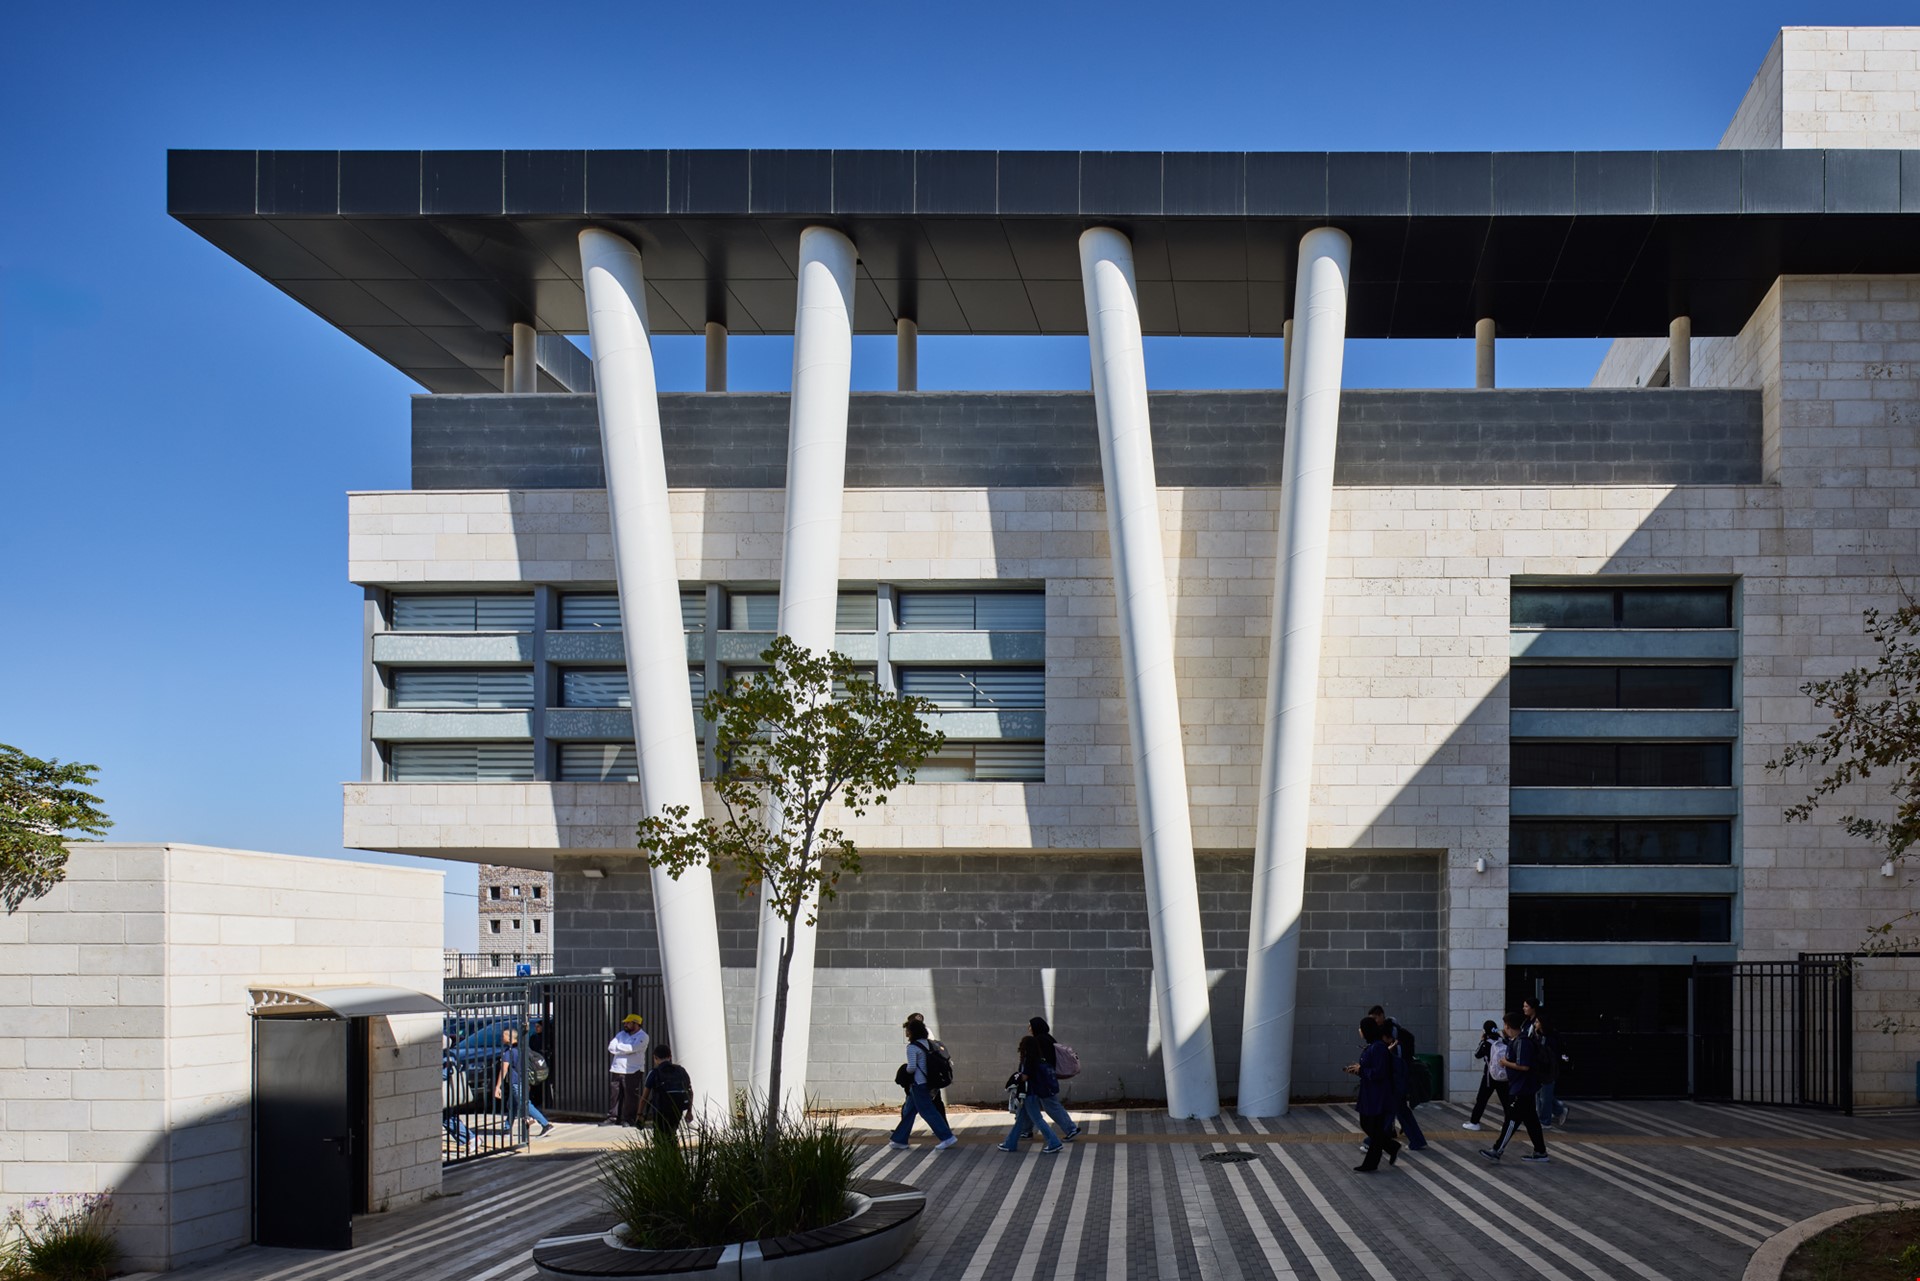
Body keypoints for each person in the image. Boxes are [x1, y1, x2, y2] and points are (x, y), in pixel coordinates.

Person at [1480, 1013, 1548, 1163]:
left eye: (1505, 1025)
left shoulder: (1522, 1042)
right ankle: (1540, 1151)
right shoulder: (1517, 1040)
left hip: (1521, 1088)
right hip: (1523, 1087)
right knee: (1531, 1120)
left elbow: (1524, 1066)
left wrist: (1505, 1063)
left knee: (1511, 1120)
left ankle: (1497, 1150)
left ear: (1508, 1026)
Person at [888, 1017, 958, 1151]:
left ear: (912, 1032)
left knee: (928, 1112)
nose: (906, 1033)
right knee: (909, 1111)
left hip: (918, 1084)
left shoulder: (912, 1047)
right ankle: (899, 1140)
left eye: (907, 1030)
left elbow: (911, 1068)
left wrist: (903, 1071)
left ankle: (947, 1137)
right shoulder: (928, 1043)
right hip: (929, 1082)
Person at [1345, 1018, 1401, 1172]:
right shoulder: (1374, 1046)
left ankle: (1372, 1163)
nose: (1359, 1030)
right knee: (1369, 1125)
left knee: (1373, 1126)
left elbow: (1379, 1072)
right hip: (1370, 1093)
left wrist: (1361, 1070)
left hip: (1377, 1095)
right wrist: (1359, 1069)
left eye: (1361, 1028)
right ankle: (1391, 1147)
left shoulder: (1378, 1048)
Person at [1368, 1005, 1427, 1151]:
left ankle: (1372, 1141)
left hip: (1396, 1080)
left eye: (1375, 1018)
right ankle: (1417, 1140)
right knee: (1400, 1111)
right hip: (1397, 1079)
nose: (1374, 1022)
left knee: (1389, 1111)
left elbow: (1392, 1060)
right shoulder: (1394, 1032)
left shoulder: (1393, 1035)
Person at [1014, 1016, 1080, 1143]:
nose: (1029, 1028)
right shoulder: (1048, 1038)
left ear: (1036, 1026)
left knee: (1050, 1106)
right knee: (1029, 1104)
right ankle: (1026, 1130)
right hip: (1043, 1079)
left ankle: (1071, 1129)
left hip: (1040, 1081)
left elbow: (1033, 1061)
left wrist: (1025, 1074)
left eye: (1030, 1026)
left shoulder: (1038, 1040)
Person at [997, 1034, 1064, 1154]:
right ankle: (1010, 1143)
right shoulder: (1039, 1059)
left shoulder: (1029, 1060)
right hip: (1033, 1093)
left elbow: (1025, 1077)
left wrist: (1015, 1078)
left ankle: (1054, 1142)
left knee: (1037, 1119)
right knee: (1020, 1120)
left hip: (1028, 1094)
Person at [493, 1026, 552, 1140]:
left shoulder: (509, 1052)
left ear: (510, 1037)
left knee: (525, 1104)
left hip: (516, 1082)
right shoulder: (522, 1049)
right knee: (512, 1105)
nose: (501, 1037)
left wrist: (497, 1087)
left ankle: (545, 1124)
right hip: (523, 1081)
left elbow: (504, 1069)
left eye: (503, 1035)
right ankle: (507, 1128)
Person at [603, 1014, 649, 1127]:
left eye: (628, 1023)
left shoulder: (643, 1036)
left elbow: (633, 1048)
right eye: (625, 1023)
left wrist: (619, 1048)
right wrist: (626, 1049)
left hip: (633, 1070)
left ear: (636, 1024)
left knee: (630, 1096)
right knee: (615, 1095)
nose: (625, 1024)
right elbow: (611, 1047)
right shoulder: (621, 1034)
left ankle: (629, 1119)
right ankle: (613, 1118)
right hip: (617, 1068)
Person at [637, 1043, 692, 1134]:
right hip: (678, 1108)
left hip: (660, 1110)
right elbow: (690, 1091)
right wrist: (689, 1111)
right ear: (670, 1057)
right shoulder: (681, 1070)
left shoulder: (654, 1073)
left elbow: (644, 1098)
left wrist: (639, 1115)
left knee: (660, 1135)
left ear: (655, 1058)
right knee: (672, 1132)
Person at [1532, 1008, 1570, 1129]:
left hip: (1548, 1070)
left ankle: (1545, 1120)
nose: (1535, 1024)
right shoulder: (1538, 1036)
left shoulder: (1550, 1038)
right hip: (1540, 1070)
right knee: (1541, 1094)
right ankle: (1558, 1109)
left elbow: (1550, 1055)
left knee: (1545, 1096)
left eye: (1537, 1022)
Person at [1461, 1020, 1501, 1131]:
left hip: (1489, 1076)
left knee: (1481, 1099)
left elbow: (1477, 1054)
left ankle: (1474, 1122)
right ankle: (1511, 1123)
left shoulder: (1486, 1043)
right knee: (1505, 1100)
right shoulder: (1502, 1040)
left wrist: (1482, 1040)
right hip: (1502, 1076)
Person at [905, 1011, 947, 1117]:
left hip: (922, 1080)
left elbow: (913, 1066)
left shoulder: (914, 1044)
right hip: (931, 1076)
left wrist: (905, 1071)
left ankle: (942, 1127)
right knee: (911, 1107)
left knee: (930, 1108)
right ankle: (943, 1124)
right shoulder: (928, 1034)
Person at [442, 1034, 472, 1147]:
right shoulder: (451, 1054)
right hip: (449, 1091)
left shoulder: (444, 1056)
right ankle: (469, 1138)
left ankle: (470, 1138)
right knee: (448, 1117)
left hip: (445, 1092)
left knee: (446, 1118)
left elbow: (445, 1074)